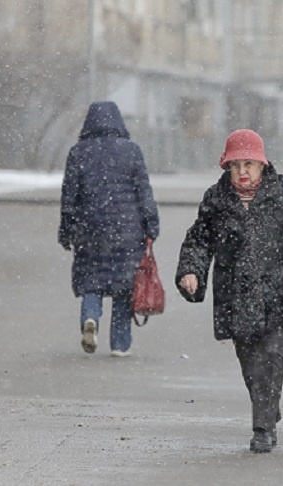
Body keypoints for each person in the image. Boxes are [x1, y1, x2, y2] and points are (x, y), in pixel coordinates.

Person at [175, 129, 283, 453]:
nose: (242, 171)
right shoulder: (217, 199)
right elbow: (199, 239)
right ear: (226, 167)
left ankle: (262, 428)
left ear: (262, 165)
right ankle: (268, 406)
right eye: (235, 165)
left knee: (271, 357)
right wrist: (191, 271)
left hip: (281, 294)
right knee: (250, 363)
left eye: (249, 164)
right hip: (236, 296)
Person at [58, 101, 159, 357]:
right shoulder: (131, 151)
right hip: (128, 231)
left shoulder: (78, 152)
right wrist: (151, 225)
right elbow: (144, 192)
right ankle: (119, 344)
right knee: (124, 287)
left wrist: (67, 229)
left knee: (92, 281)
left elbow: (69, 197)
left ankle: (90, 319)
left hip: (89, 229)